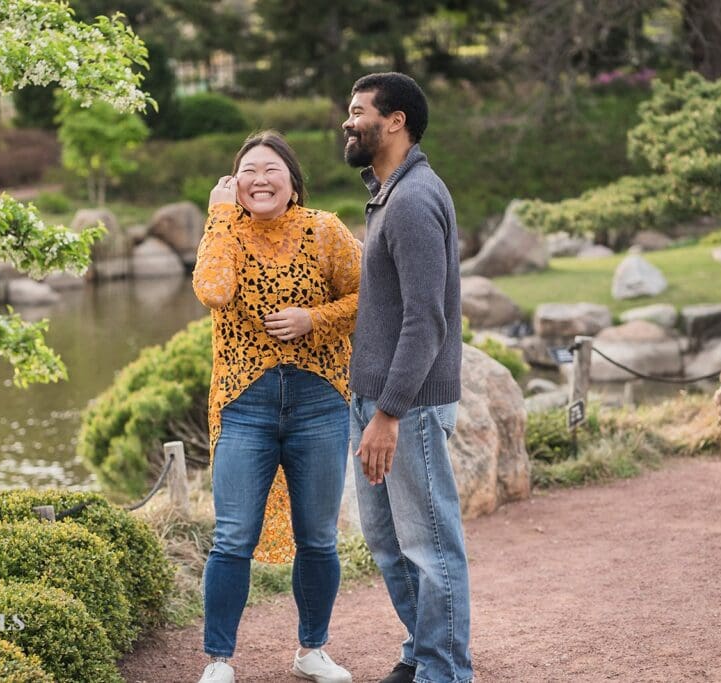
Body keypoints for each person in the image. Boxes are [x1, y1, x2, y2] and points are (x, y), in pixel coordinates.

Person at [192, 131, 363, 683]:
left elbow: (370, 297)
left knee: (318, 538)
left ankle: (312, 650)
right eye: (248, 170)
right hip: (245, 403)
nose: (260, 179)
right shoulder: (224, 233)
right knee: (232, 538)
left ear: (292, 181)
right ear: (232, 183)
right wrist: (219, 216)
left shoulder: (324, 230)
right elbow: (213, 290)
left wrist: (314, 319)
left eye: (271, 169)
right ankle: (219, 660)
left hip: (320, 400)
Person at [343, 73, 473, 683]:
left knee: (429, 546)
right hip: (377, 400)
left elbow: (427, 320)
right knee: (388, 543)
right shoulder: (389, 194)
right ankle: (423, 651)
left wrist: (389, 413)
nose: (348, 122)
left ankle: (445, 672)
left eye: (358, 111)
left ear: (395, 121)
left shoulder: (415, 200)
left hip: (407, 407)